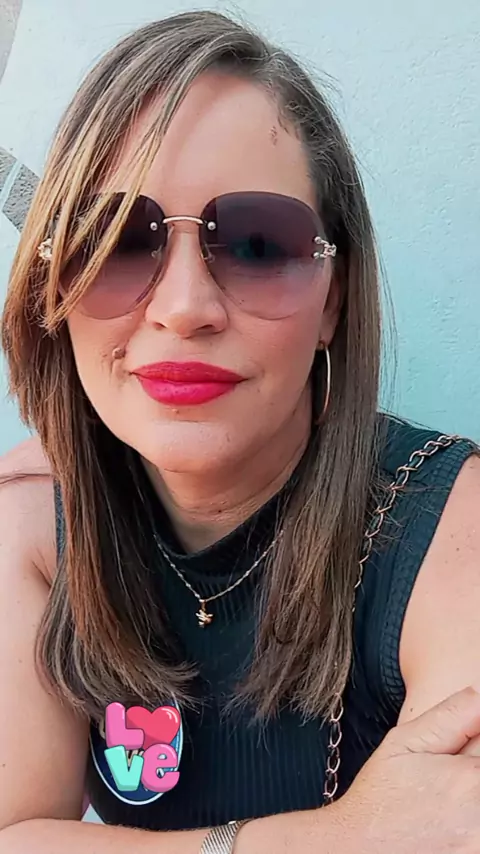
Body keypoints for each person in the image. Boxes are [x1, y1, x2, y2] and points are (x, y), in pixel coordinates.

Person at [0, 10, 479, 853]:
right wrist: (338, 839)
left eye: (259, 245)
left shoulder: (447, 527)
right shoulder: (37, 523)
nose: (185, 308)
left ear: (333, 299)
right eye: (116, 241)